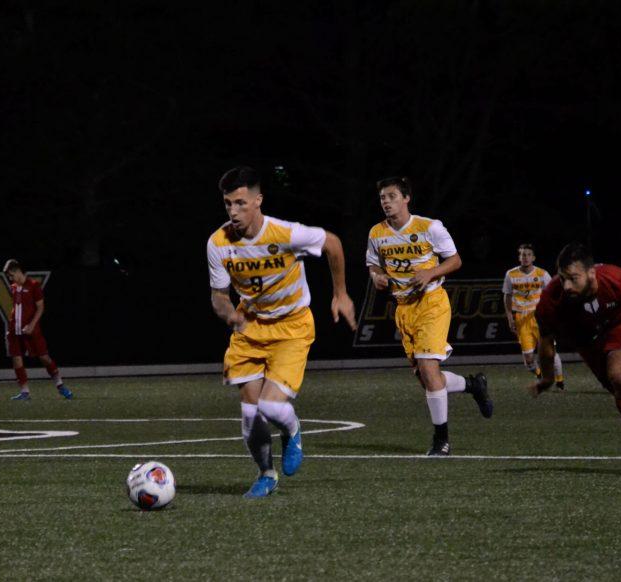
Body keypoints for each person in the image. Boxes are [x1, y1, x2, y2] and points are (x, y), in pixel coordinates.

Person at [208, 166, 357, 498]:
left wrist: (341, 294)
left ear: (258, 201)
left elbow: (332, 243)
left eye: (240, 203)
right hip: (249, 328)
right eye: (228, 204)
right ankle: (266, 474)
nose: (233, 211)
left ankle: (293, 429)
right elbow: (218, 297)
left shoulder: (286, 234)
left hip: (291, 326)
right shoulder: (218, 243)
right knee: (249, 414)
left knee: (271, 408)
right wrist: (231, 315)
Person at [365, 176, 493, 457]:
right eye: (382, 198)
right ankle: (473, 385)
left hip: (431, 303)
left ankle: (441, 441)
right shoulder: (377, 233)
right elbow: (373, 265)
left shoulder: (429, 227)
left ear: (406, 198)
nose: (385, 201)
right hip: (403, 308)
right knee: (427, 378)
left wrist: (431, 272)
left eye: (391, 196)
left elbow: (455, 260)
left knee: (427, 368)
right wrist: (377, 277)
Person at [529, 243, 621, 475]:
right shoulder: (551, 300)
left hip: (620, 326)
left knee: (619, 375)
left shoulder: (618, 280)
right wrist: (547, 378)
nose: (566, 285)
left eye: (573, 278)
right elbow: (546, 345)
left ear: (591, 273)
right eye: (562, 278)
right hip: (587, 341)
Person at [4, 259, 72, 401]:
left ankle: (60, 385)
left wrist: (31, 325)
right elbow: (16, 308)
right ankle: (25, 392)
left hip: (32, 330)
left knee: (44, 357)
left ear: (17, 271)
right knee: (17, 359)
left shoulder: (34, 285)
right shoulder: (14, 287)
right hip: (15, 330)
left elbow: (40, 308)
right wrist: (10, 329)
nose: (10, 278)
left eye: (11, 275)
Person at [502, 244, 564, 388]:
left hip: (540, 318)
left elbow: (553, 294)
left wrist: (552, 313)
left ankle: (560, 380)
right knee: (529, 359)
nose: (525, 257)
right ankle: (539, 373)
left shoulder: (542, 274)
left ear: (533, 257)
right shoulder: (511, 274)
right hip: (521, 319)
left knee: (550, 351)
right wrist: (510, 317)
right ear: (519, 257)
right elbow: (507, 296)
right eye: (523, 255)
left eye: (528, 254)